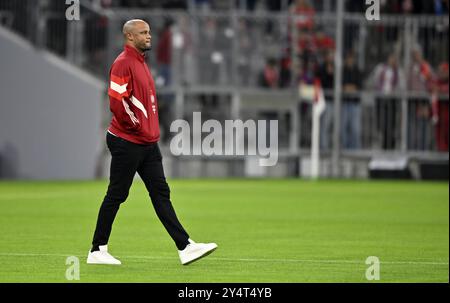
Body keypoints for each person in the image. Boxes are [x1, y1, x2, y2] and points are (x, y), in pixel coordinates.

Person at [87, 19, 217, 266]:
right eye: (143, 33)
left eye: (149, 32)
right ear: (129, 37)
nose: (149, 36)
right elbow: (116, 102)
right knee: (117, 194)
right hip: (127, 141)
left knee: (160, 193)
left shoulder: (141, 63)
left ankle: (185, 246)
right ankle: (97, 249)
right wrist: (137, 125)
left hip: (147, 143)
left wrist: (149, 130)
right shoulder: (123, 63)